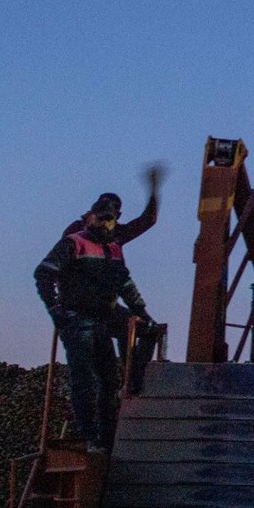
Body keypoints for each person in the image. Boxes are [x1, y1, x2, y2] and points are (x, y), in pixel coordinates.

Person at [35, 197, 155, 453]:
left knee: (109, 380)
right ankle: (91, 437)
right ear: (90, 217)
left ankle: (108, 432)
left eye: (108, 219)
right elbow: (44, 272)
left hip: (101, 319)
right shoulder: (73, 243)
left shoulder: (113, 249)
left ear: (115, 220)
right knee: (84, 380)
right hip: (78, 320)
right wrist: (55, 309)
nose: (103, 223)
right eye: (99, 218)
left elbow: (124, 284)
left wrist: (142, 312)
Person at [63, 164, 165, 394]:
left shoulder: (107, 231)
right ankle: (131, 381)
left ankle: (129, 378)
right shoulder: (83, 233)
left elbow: (146, 221)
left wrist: (154, 190)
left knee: (135, 327)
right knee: (140, 328)